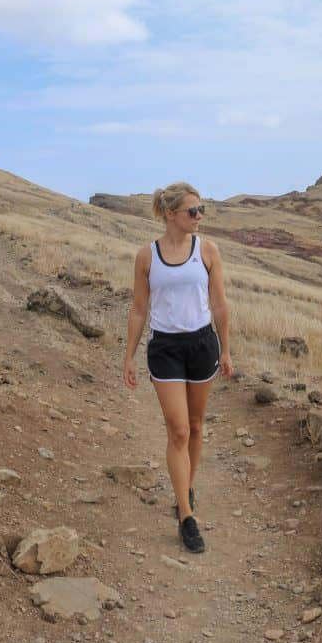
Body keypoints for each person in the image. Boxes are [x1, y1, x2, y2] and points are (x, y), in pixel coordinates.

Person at [123, 182, 233, 553]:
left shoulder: (208, 250)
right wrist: (128, 356)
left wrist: (226, 350)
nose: (199, 216)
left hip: (202, 344)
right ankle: (187, 517)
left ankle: (185, 487)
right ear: (171, 214)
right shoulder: (146, 257)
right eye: (192, 211)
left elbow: (219, 304)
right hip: (165, 348)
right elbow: (139, 309)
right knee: (179, 431)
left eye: (201, 210)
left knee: (198, 425)